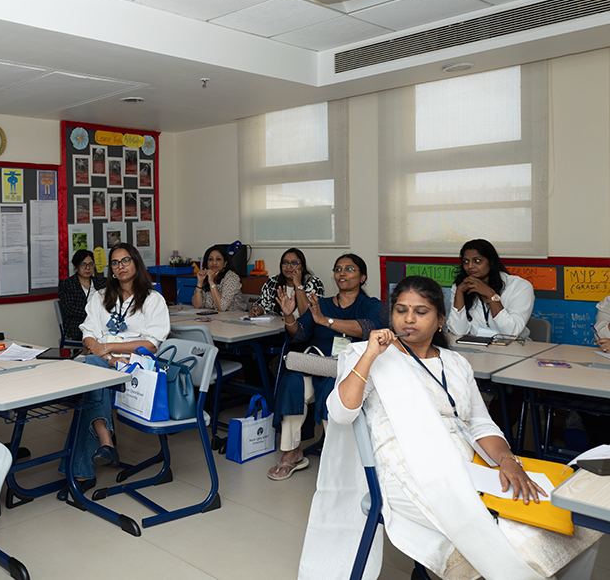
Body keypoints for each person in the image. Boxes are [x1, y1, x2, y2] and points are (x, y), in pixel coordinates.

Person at [300, 276, 601, 580]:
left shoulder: (456, 363)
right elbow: (341, 413)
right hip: (403, 467)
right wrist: (369, 355)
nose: (408, 319)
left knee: (565, 515)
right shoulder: (370, 356)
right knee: (500, 538)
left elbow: (480, 423)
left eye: (421, 311)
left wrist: (508, 460)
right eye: (401, 310)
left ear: (440, 320)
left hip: (467, 463)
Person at [57, 243, 170, 500]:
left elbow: (151, 343)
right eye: (115, 263)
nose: (121, 266)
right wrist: (107, 357)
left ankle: (90, 459)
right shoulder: (100, 297)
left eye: (126, 260)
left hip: (135, 368)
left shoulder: (153, 299)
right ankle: (102, 445)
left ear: (136, 262)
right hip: (103, 363)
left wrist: (109, 348)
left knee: (89, 375)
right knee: (92, 376)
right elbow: (87, 335)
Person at [267, 253, 386, 481]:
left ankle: (337, 455)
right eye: (338, 269)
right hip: (318, 365)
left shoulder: (372, 305)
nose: (342, 273)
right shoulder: (320, 305)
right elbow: (300, 333)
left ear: (362, 277)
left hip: (350, 371)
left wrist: (326, 321)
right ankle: (291, 451)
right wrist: (289, 316)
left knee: (333, 387)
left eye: (349, 269)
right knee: (290, 382)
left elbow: (369, 328)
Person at [446, 238, 535, 339]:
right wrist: (459, 292)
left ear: (491, 262)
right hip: (475, 346)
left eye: (477, 261)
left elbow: (511, 333)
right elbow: (458, 331)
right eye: (466, 262)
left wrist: (491, 295)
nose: (470, 266)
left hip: (514, 346)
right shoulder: (462, 286)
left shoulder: (519, 286)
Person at [249, 247, 324, 318]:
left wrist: (298, 285)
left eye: (294, 263)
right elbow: (262, 305)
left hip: (303, 326)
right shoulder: (273, 282)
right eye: (285, 263)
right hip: (276, 325)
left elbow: (308, 314)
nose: (288, 266)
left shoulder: (314, 283)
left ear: (302, 267)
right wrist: (257, 310)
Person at [58, 249, 106, 341]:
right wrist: (93, 314)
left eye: (90, 264)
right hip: (79, 325)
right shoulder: (67, 284)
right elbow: (69, 309)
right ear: (76, 267)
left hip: (102, 323)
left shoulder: (102, 282)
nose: (88, 268)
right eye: (83, 264)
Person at [192, 245, 245, 312]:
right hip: (213, 316)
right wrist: (200, 282)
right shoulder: (206, 276)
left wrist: (211, 282)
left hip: (233, 316)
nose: (214, 262)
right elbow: (197, 305)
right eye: (211, 259)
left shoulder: (231, 277)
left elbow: (221, 307)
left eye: (218, 259)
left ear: (225, 263)